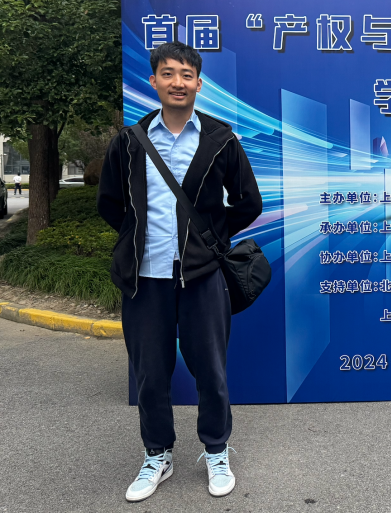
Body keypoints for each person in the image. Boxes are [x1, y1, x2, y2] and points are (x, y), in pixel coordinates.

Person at [97, 41, 262, 502]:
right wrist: (137, 239)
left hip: (202, 276)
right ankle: (157, 454)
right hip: (144, 278)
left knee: (211, 371)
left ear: (198, 84)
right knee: (150, 374)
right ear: (153, 81)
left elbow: (248, 202)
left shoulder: (220, 139)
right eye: (168, 74)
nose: (177, 82)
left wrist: (210, 240)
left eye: (186, 75)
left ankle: (216, 450)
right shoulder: (129, 141)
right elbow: (110, 203)